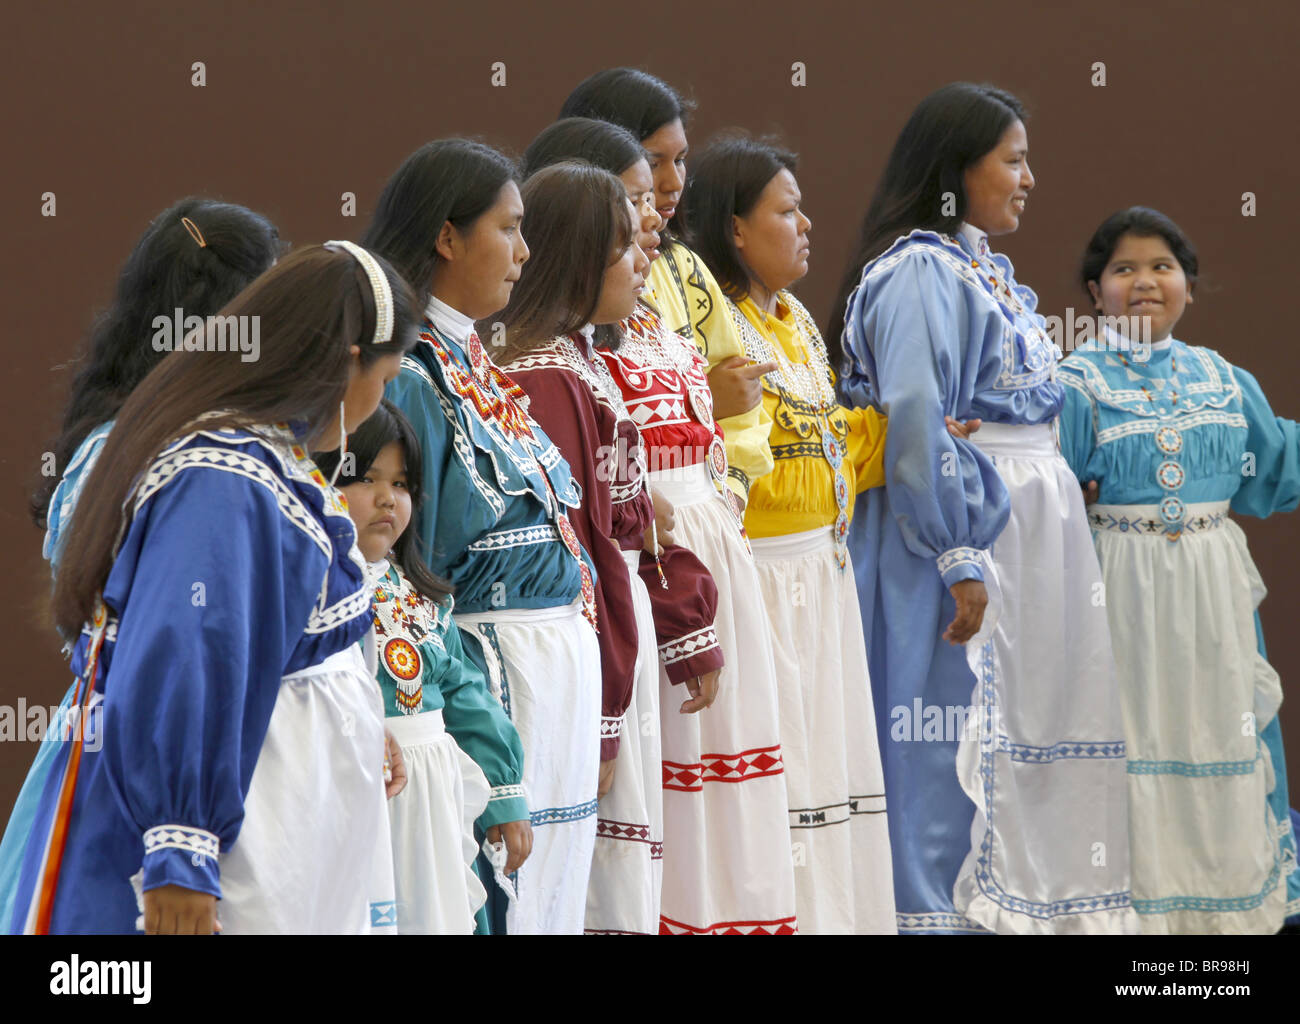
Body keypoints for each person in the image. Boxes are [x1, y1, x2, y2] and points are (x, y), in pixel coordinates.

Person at [11, 242, 417, 933]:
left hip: (270, 826)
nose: (380, 399)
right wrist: (182, 846)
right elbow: (188, 651)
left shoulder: (254, 457)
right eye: (386, 376)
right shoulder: (225, 476)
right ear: (348, 360)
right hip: (230, 843)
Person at [832, 82, 1135, 934]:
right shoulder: (920, 272)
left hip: (1027, 535)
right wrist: (958, 549)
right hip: (960, 538)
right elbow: (918, 416)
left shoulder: (976, 269)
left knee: (1021, 732)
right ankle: (934, 912)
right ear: (957, 167)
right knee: (945, 733)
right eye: (1014, 158)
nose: (1030, 177)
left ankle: (1026, 905)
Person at [2, 198, 283, 931]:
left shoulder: (117, 437)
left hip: (112, 744)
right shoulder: (191, 459)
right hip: (160, 757)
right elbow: (181, 642)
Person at [363, 138, 601, 934]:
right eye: (509, 227)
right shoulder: (411, 374)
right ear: (446, 236)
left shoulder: (473, 360)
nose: (525, 252)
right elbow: (411, 565)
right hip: (488, 672)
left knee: (557, 895)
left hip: (551, 665)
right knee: (504, 889)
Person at [1058, 206, 1300, 932]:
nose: (1144, 283)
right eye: (1123, 269)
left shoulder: (1225, 381)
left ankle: (1215, 922)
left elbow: (1278, 467)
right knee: (1130, 740)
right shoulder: (1071, 383)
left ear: (1188, 285)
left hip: (1211, 599)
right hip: (1118, 597)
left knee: (1221, 731)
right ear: (1094, 291)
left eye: (1162, 267)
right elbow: (1043, 495)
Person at [502, 148, 724, 934]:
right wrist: (605, 712)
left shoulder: (578, 359)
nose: (644, 260)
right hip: (584, 658)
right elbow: (589, 556)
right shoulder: (547, 378)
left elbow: (631, 527)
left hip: (606, 652)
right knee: (586, 877)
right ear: (578, 258)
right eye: (625, 245)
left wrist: (682, 618)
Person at [681, 134, 896, 933]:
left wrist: (909, 434)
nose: (807, 224)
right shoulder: (719, 330)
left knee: (828, 771)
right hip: (762, 581)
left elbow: (829, 445)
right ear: (735, 229)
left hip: (823, 578)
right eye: (786, 209)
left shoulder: (796, 320)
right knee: (783, 778)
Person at [315, 400, 532, 934]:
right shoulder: (312, 590)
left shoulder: (417, 594)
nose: (387, 499)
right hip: (363, 798)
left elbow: (464, 693)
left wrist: (505, 792)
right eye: (365, 478)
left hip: (433, 805)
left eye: (402, 484)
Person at [561, 68, 778, 521]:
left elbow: (743, 399)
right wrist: (701, 401)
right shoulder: (563, 275)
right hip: (620, 513)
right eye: (653, 161)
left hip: (703, 508)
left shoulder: (685, 270)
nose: (673, 181)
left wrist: (728, 493)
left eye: (680, 160)